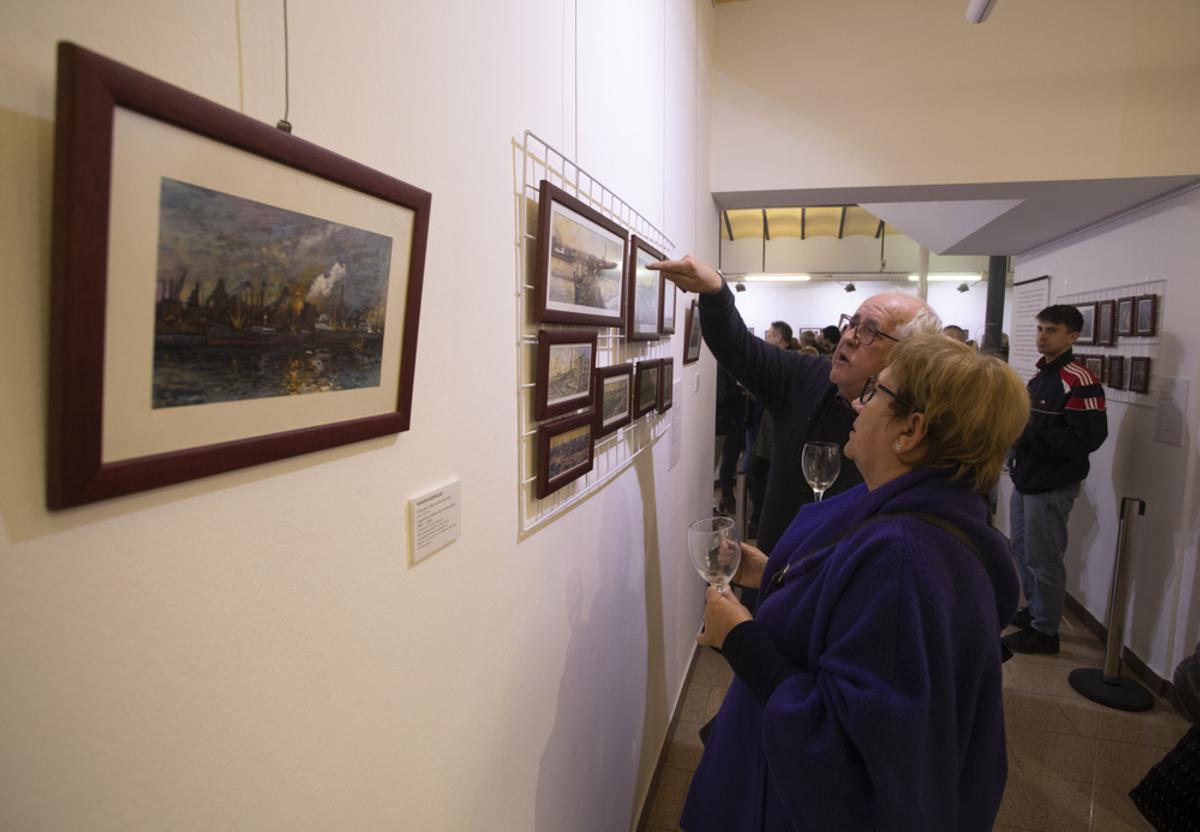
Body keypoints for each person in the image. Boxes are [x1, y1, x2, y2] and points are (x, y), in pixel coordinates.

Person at [680, 334, 1028, 831]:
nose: (858, 406)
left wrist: (737, 638)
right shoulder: (909, 510)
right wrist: (779, 571)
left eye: (876, 393)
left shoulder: (904, 558)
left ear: (910, 430)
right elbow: (850, 609)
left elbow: (845, 747)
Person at [648, 255, 941, 557]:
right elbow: (739, 348)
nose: (850, 337)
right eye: (851, 323)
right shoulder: (809, 378)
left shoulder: (912, 438)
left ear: (910, 357)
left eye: (869, 330)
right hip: (770, 581)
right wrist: (715, 291)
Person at [1003, 305, 1108, 654]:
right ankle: (1035, 611)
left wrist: (1031, 432)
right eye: (1040, 329)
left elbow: (1087, 438)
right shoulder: (1041, 376)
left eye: (1051, 330)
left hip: (1051, 483)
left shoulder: (1080, 379)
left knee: (1044, 558)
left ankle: (1046, 630)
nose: (1042, 336)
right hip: (1028, 477)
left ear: (1072, 335)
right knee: (1023, 550)